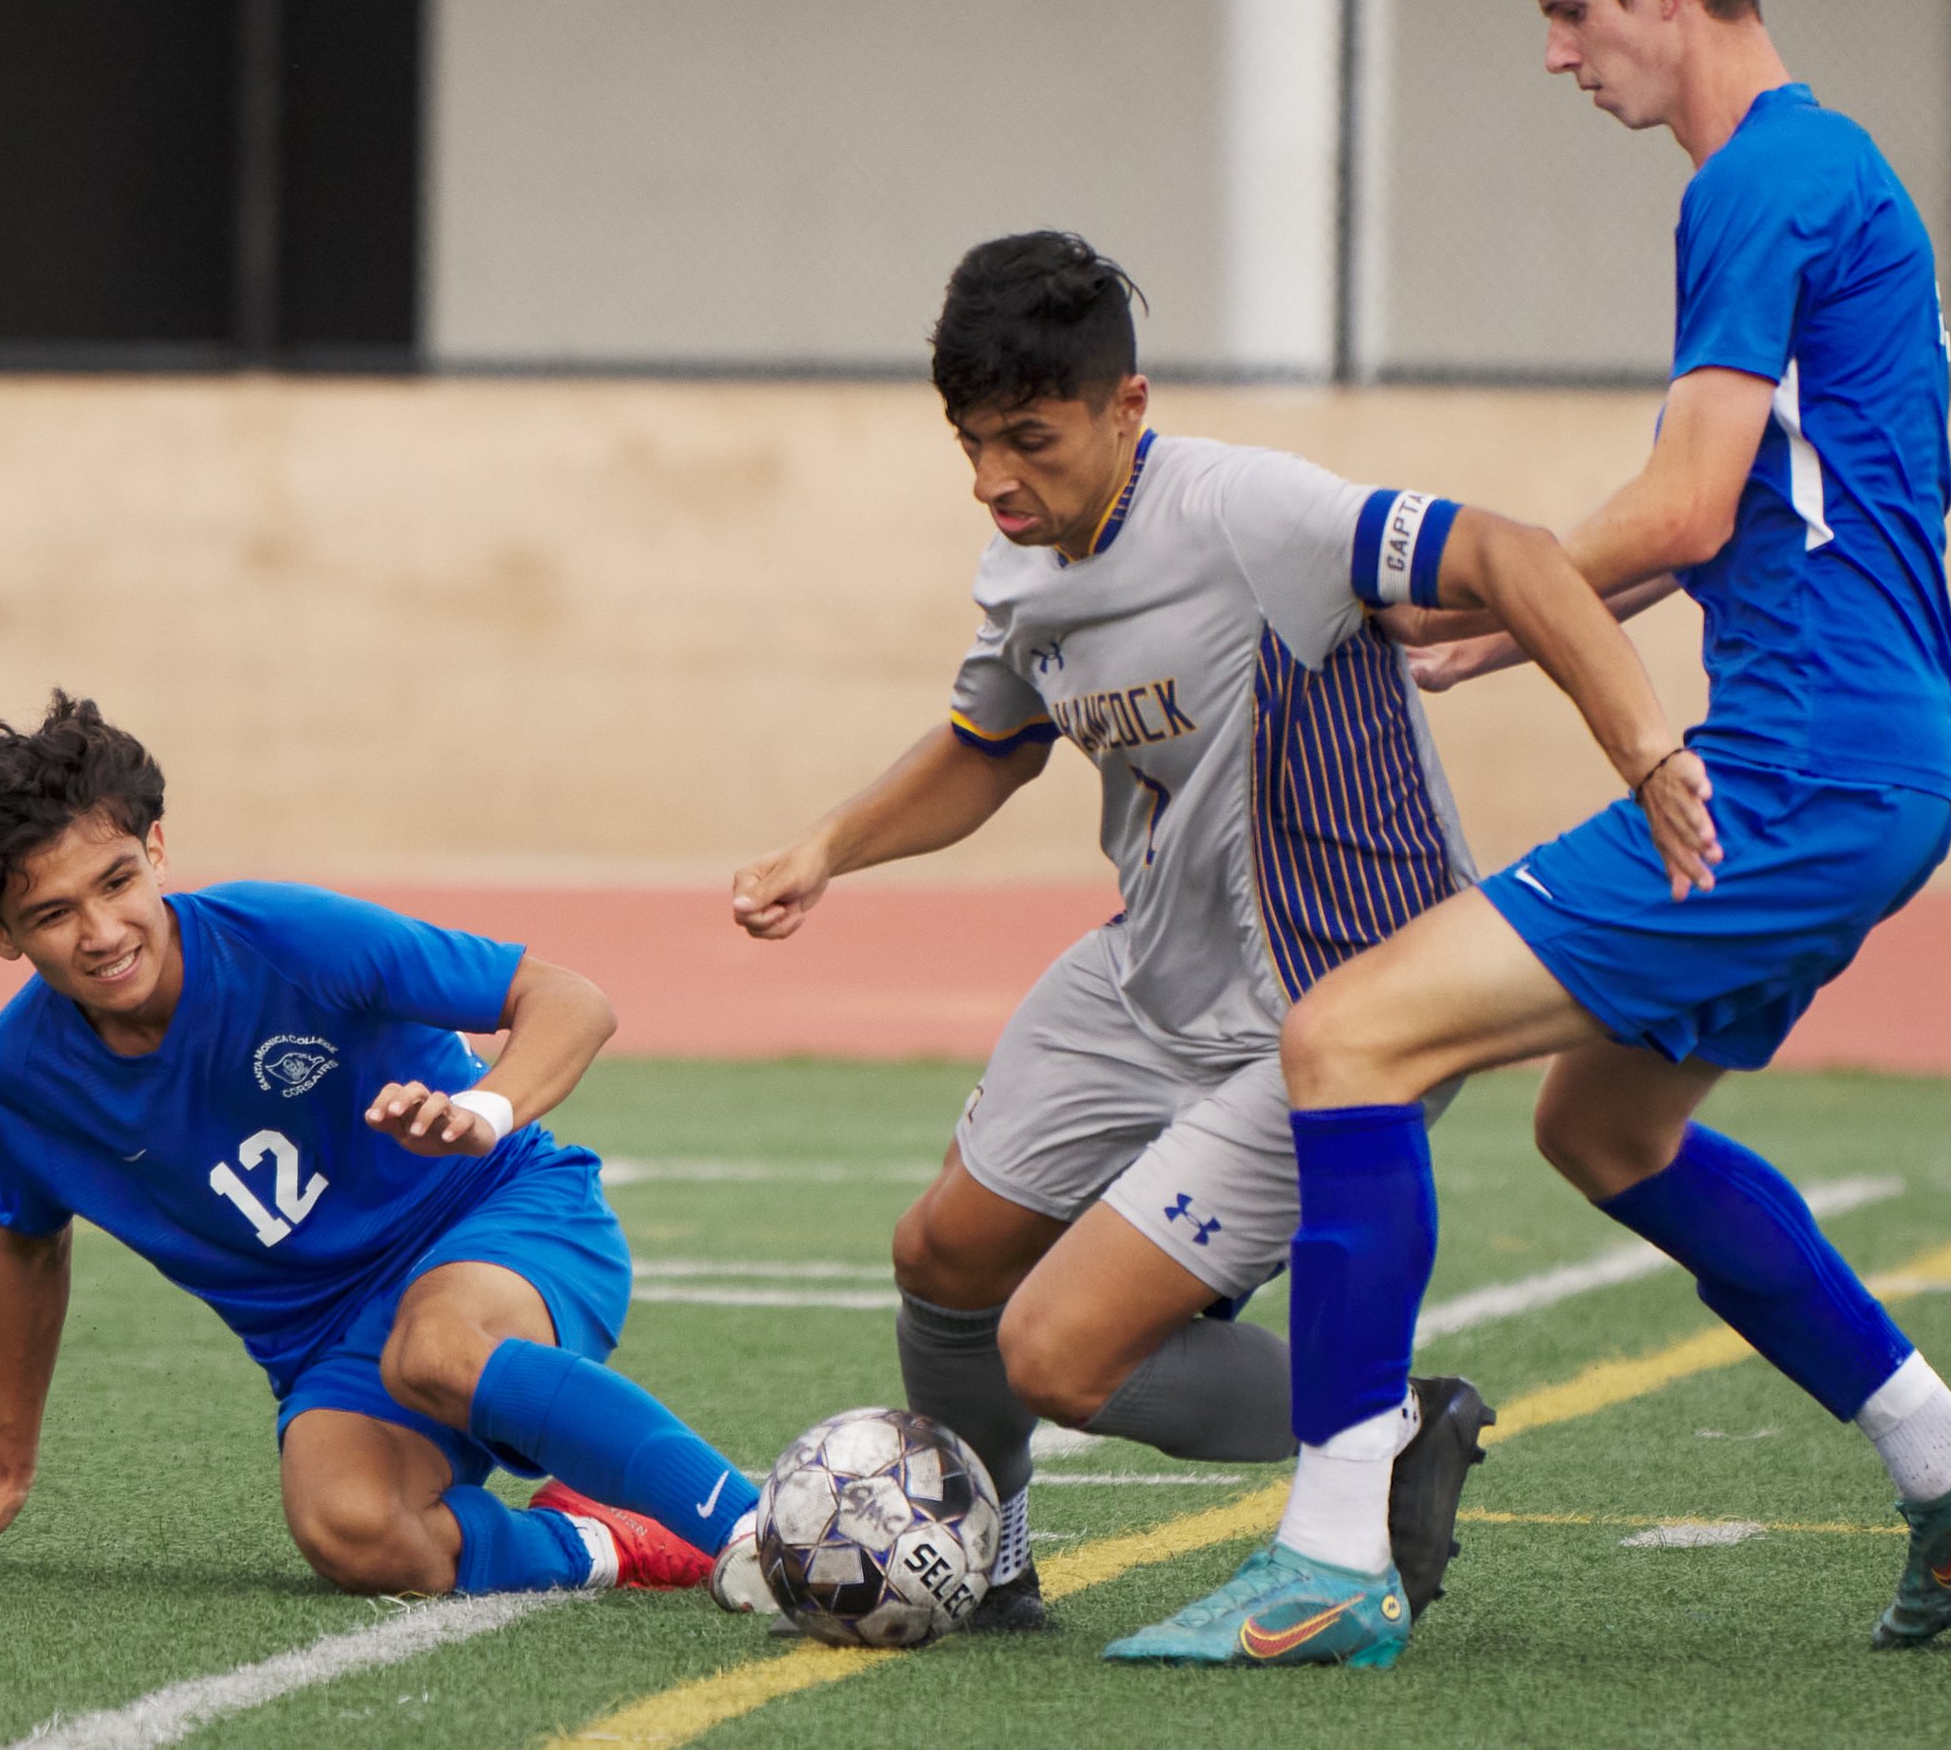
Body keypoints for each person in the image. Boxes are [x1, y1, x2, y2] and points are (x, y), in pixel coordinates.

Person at [1115, 0, 1951, 1669]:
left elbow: (1694, 497)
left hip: (1797, 768)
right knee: (1607, 1127)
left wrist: (1483, 585)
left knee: (1347, 1030)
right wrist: (1511, 629)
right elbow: (1766, 507)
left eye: (1571, 13)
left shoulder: (1759, 185)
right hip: (1870, 756)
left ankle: (1326, 1559)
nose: (1558, 55)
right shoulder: (1828, 170)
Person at [732, 231, 1717, 1633]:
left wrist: (1643, 746)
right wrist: (828, 847)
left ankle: (1386, 1420)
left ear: (1126, 407)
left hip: (1335, 1014)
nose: (995, 479)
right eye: (970, 443)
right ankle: (991, 1558)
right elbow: (989, 742)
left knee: (1059, 1355)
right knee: (942, 1256)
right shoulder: (1024, 570)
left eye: (1031, 437)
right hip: (1144, 972)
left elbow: (1508, 552)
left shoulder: (1250, 512)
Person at [0, 692, 771, 1609]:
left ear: (154, 849)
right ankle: (607, 1537)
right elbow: (30, 1241)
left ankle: (770, 1533)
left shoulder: (287, 936)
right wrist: (9, 1468)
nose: (103, 932)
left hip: (501, 1213)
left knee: (435, 1347)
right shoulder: (18, 1077)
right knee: (352, 1528)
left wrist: (484, 1107)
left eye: (114, 882)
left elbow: (572, 999)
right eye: (53, 913)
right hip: (327, 1338)